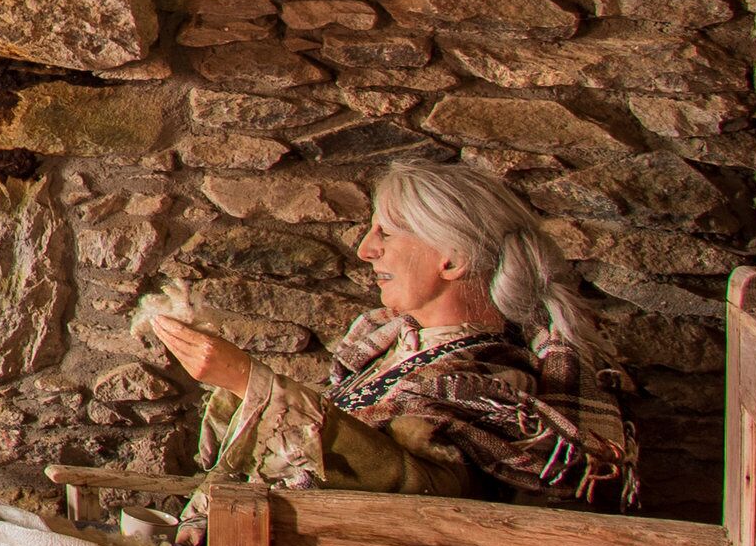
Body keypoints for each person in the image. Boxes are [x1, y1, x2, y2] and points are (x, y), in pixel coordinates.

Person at [146, 159, 638, 509]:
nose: (365, 250)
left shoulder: (488, 381)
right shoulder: (390, 350)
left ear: (452, 259)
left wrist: (246, 380)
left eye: (386, 233)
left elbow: (415, 496)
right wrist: (237, 387)